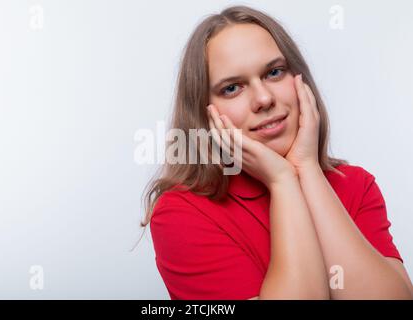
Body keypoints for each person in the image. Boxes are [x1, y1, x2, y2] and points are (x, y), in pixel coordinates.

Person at [140, 5, 413, 299]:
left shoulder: (355, 185)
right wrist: (282, 180)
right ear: (205, 115)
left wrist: (306, 168)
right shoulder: (182, 212)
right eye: (232, 88)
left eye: (274, 72)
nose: (263, 98)